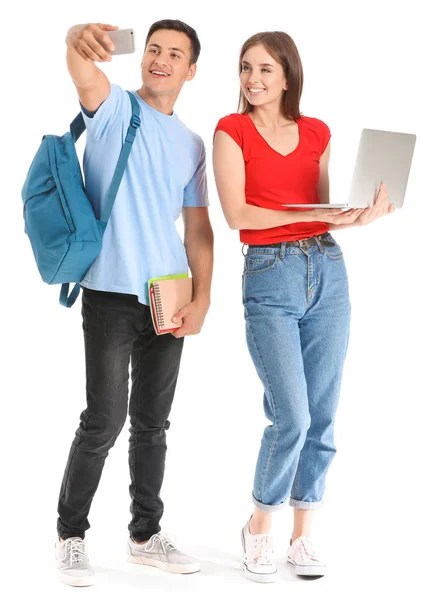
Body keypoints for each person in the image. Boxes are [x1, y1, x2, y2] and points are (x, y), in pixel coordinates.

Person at [213, 31, 393, 583]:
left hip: (327, 270)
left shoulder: (317, 132)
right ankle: (259, 528)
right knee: (289, 414)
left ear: (288, 75)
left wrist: (357, 216)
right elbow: (238, 214)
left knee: (323, 411)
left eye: (265, 69)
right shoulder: (231, 130)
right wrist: (309, 216)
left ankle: (303, 536)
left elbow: (322, 208)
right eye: (246, 68)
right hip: (269, 275)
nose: (253, 80)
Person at [55, 20, 213, 587]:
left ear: (191, 69)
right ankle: (70, 534)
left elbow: (198, 229)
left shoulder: (193, 143)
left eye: (175, 54)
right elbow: (81, 70)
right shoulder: (117, 108)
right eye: (153, 50)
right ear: (141, 57)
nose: (161, 59)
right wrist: (76, 36)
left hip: (167, 293)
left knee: (152, 423)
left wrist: (203, 295)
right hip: (109, 291)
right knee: (104, 418)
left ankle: (146, 534)